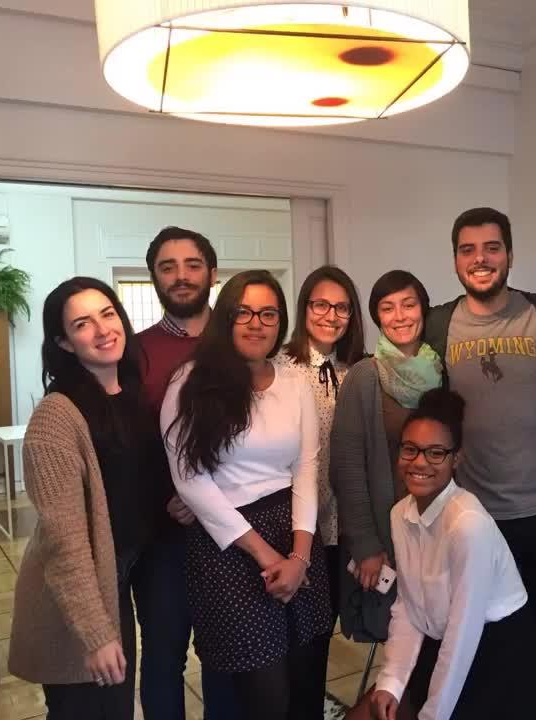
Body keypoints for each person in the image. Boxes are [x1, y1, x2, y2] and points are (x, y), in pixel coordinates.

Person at [421, 208, 536, 720]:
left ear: (509, 254)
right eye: (467, 249)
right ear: (454, 260)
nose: (480, 259)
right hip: (476, 518)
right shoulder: (438, 324)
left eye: (492, 247)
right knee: (490, 645)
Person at [161, 269, 332, 720]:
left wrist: (299, 556)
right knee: (264, 695)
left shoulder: (294, 381)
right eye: (244, 312)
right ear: (226, 317)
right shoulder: (189, 383)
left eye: (268, 314)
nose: (257, 323)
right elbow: (190, 480)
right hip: (229, 545)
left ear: (280, 322)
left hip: (294, 532)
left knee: (306, 681)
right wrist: (266, 556)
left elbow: (307, 467)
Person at [8, 277, 163, 720]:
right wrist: (95, 634)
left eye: (107, 314)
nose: (102, 329)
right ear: (64, 342)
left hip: (117, 579)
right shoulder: (56, 416)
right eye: (82, 324)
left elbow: (133, 483)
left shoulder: (130, 393)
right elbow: (65, 540)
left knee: (116, 707)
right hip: (76, 600)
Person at [367, 388, 536, 720]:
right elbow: (408, 605)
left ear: (456, 459)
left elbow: (463, 632)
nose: (419, 462)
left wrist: (433, 715)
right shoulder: (399, 514)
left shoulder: (467, 524)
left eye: (436, 453)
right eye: (410, 449)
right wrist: (391, 681)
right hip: (438, 642)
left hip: (496, 652)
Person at [134, 225, 238, 719]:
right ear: (154, 277)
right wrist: (173, 495)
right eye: (167, 267)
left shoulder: (243, 341)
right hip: (162, 537)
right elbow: (130, 444)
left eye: (192, 265)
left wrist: (208, 498)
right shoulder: (133, 353)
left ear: (212, 274)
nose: (181, 276)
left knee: (227, 660)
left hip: (234, 532)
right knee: (162, 658)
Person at [332, 270, 443, 640]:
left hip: (438, 530)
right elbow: (347, 468)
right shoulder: (364, 377)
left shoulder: (441, 370)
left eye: (408, 305)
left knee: (440, 634)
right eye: (387, 308)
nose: (400, 316)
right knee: (399, 634)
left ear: (423, 310)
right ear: (377, 317)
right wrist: (366, 545)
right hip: (390, 532)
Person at [273, 265, 367, 673]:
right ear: (304, 307)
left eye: (342, 308)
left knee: (321, 631)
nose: (331, 316)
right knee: (291, 638)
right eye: (321, 305)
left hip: (340, 526)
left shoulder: (357, 371)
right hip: (293, 525)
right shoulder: (280, 367)